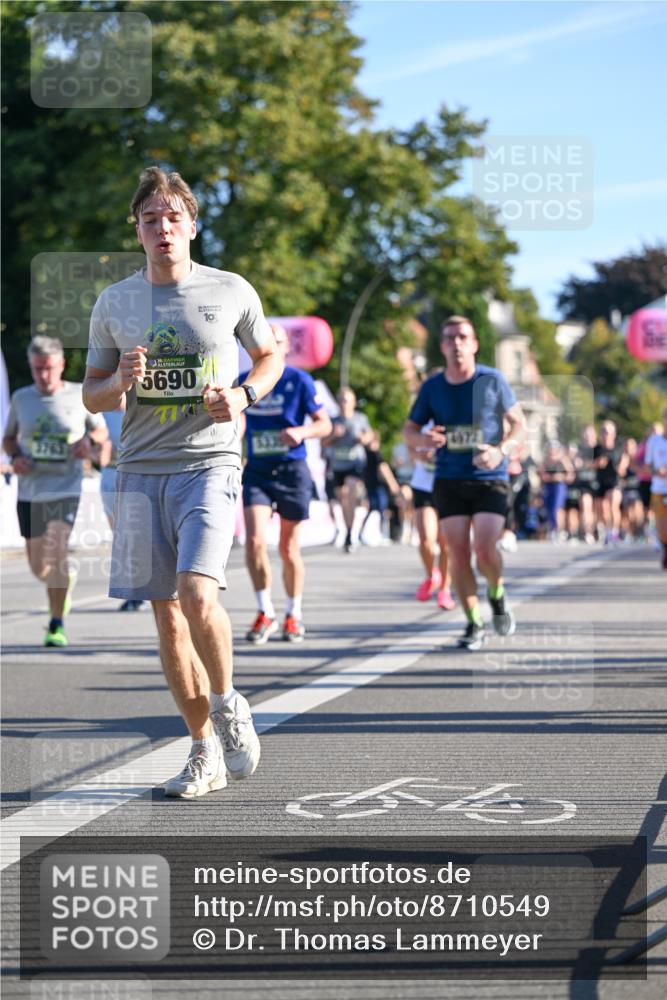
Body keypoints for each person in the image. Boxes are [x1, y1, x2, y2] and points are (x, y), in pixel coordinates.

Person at [82, 166, 283, 799]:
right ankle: (202, 751)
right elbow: (90, 394)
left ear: (192, 225)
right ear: (136, 231)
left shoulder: (229, 290)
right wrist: (120, 383)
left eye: (173, 218)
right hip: (139, 472)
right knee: (167, 621)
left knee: (198, 596)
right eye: (150, 220)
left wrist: (244, 395)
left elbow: (272, 354)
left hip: (209, 464)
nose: (162, 228)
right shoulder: (114, 302)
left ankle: (228, 706)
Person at [403, 315, 526, 651]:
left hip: (490, 478)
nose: (456, 343)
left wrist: (502, 451)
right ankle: (474, 623)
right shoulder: (432, 387)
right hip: (449, 478)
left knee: (484, 550)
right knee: (457, 555)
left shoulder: (493, 379)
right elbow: (409, 431)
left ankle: (497, 594)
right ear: (442, 346)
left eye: (462, 337)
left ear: (474, 344)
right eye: (449, 338)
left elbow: (519, 425)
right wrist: (423, 439)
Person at [3, 336, 108, 647]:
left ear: (61, 365)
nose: (43, 376)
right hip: (31, 490)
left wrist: (89, 443)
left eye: (48, 368)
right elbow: (8, 439)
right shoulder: (22, 399)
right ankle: (63, 583)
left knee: (58, 550)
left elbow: (100, 430)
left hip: (66, 487)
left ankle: (56, 623)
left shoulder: (79, 394)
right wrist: (15, 457)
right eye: (37, 370)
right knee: (39, 567)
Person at [242, 323, 331, 644]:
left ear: (286, 348)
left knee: (288, 548)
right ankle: (265, 611)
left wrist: (301, 433)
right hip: (258, 471)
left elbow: (325, 425)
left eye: (277, 341)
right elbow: (236, 422)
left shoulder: (300, 380)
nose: (271, 346)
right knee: (253, 542)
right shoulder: (244, 381)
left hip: (292, 469)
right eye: (265, 341)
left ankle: (294, 613)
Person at [94, 401, 146, 610]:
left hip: (137, 477)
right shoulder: (102, 412)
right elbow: (95, 446)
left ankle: (142, 588)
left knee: (137, 536)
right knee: (121, 537)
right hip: (110, 476)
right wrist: (95, 454)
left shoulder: (142, 406)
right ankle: (134, 591)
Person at [322, 387, 373, 552]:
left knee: (350, 491)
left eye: (347, 400)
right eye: (342, 400)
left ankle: (351, 534)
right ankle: (349, 530)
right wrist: (334, 436)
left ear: (353, 402)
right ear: (337, 403)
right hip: (338, 465)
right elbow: (323, 443)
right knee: (343, 499)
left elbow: (370, 437)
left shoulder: (360, 418)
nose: (344, 404)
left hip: (355, 464)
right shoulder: (333, 420)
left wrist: (362, 438)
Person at [409, 432, 456, 609]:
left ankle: (445, 589)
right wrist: (417, 455)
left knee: (445, 542)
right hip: (423, 485)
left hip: (449, 484)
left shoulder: (453, 417)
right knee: (426, 540)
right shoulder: (422, 420)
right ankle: (432, 575)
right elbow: (408, 441)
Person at [593, 420, 629, 545]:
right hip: (601, 482)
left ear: (613, 433)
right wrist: (598, 463)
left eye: (608, 432)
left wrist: (622, 467)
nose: (605, 434)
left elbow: (625, 459)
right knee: (603, 508)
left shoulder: (618, 447)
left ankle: (614, 532)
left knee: (613, 503)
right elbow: (591, 464)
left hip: (614, 481)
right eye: (603, 431)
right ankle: (607, 531)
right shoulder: (597, 448)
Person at [643, 410, 667, 569]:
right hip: (659, 489)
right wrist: (656, 472)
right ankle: (665, 549)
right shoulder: (654, 441)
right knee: (662, 530)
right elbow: (647, 466)